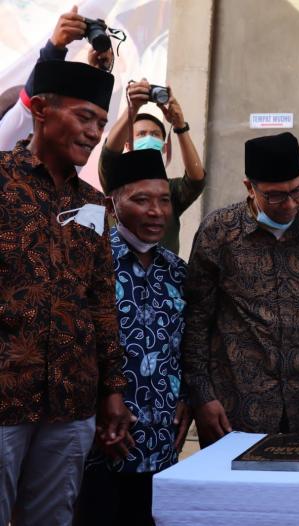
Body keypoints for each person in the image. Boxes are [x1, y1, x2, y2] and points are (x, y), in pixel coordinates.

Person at [0, 60, 132, 526]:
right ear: (39, 110)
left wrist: (113, 391)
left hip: (72, 401)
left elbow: (101, 301)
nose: (95, 132)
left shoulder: (93, 204)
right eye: (84, 117)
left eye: (101, 121)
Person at [182, 132, 299, 446]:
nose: (290, 204)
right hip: (236, 408)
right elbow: (195, 322)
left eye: (298, 191)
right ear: (249, 187)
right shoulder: (219, 231)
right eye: (275, 196)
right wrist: (202, 397)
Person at [73, 149, 190, 526]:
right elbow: (73, 347)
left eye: (164, 200)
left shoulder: (175, 270)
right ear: (113, 203)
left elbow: (185, 344)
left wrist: (185, 397)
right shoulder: (90, 261)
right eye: (141, 200)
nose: (156, 211)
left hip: (162, 443)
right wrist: (94, 417)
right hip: (102, 441)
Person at [99, 79, 206, 253]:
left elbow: (196, 180)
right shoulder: (116, 182)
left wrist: (180, 126)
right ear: (127, 144)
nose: (155, 210)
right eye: (141, 134)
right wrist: (132, 109)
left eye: (155, 134)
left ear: (164, 146)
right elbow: (109, 154)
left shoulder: (170, 190)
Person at [0, 5, 113, 150]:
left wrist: (99, 72)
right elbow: (27, 107)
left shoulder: (61, 162)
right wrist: (55, 46)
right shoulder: (5, 152)